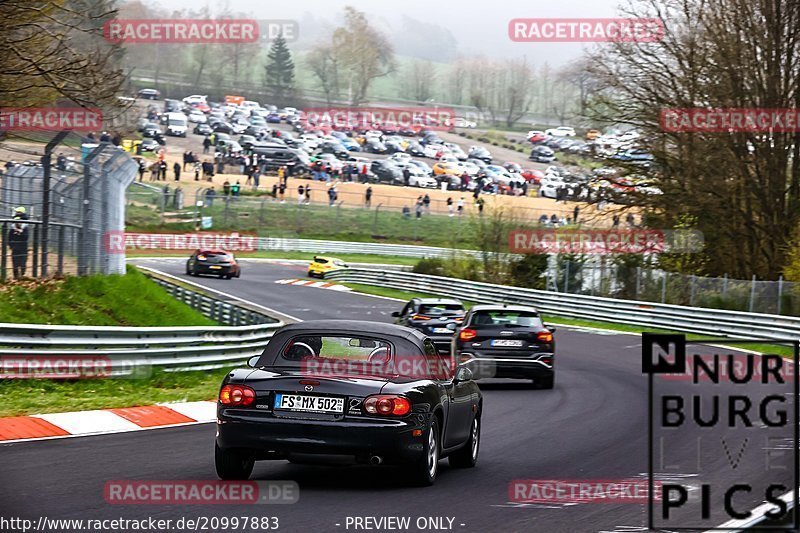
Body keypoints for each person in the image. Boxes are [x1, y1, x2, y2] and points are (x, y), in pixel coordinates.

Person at [8, 207, 29, 279]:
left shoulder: (25, 226)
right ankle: (16, 276)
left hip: (23, 247)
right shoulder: (13, 227)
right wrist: (11, 245)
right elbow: (9, 237)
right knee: (15, 263)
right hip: (15, 247)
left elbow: (26, 237)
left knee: (23, 263)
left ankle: (22, 274)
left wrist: (21, 231)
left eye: (18, 212)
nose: (18, 223)